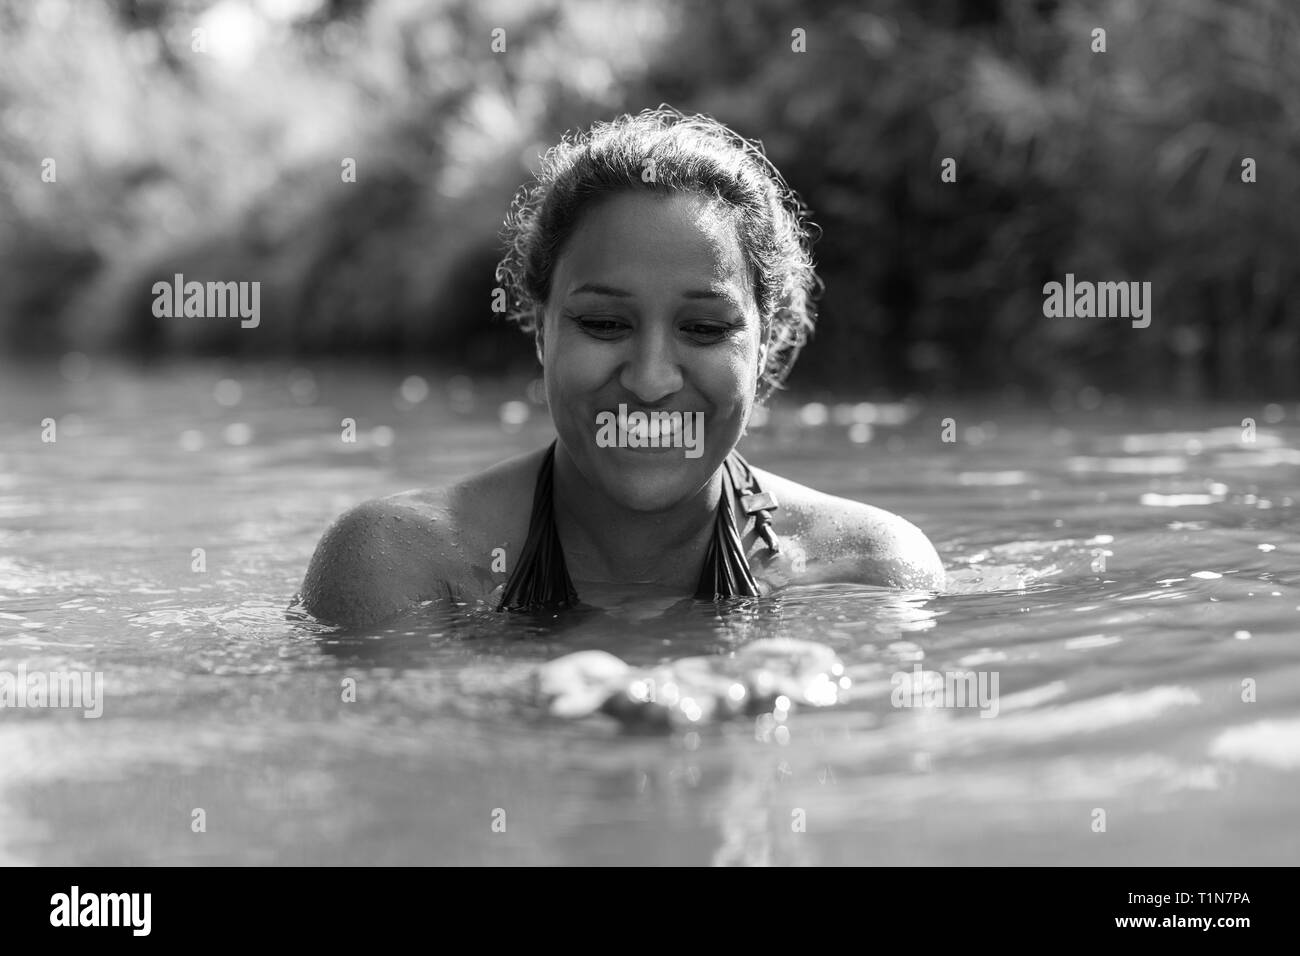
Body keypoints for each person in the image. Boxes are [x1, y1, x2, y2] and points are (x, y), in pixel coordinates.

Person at [298, 106, 944, 628]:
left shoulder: (869, 568)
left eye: (705, 329)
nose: (651, 379)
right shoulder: (400, 563)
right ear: (541, 330)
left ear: (764, 345)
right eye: (605, 325)